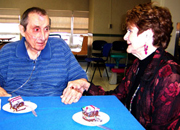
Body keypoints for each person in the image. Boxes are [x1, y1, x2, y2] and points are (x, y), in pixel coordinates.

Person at [61, 2, 180, 130]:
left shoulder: (170, 74)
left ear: (147, 34)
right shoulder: (137, 64)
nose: (124, 37)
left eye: (130, 31)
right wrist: (86, 85)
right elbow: (116, 97)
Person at [0, 7, 87, 97]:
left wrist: (77, 85)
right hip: (15, 107)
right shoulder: (7, 52)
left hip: (54, 106)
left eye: (46, 29)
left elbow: (80, 77)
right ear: (22, 30)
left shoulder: (60, 47)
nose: (43, 37)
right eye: (36, 29)